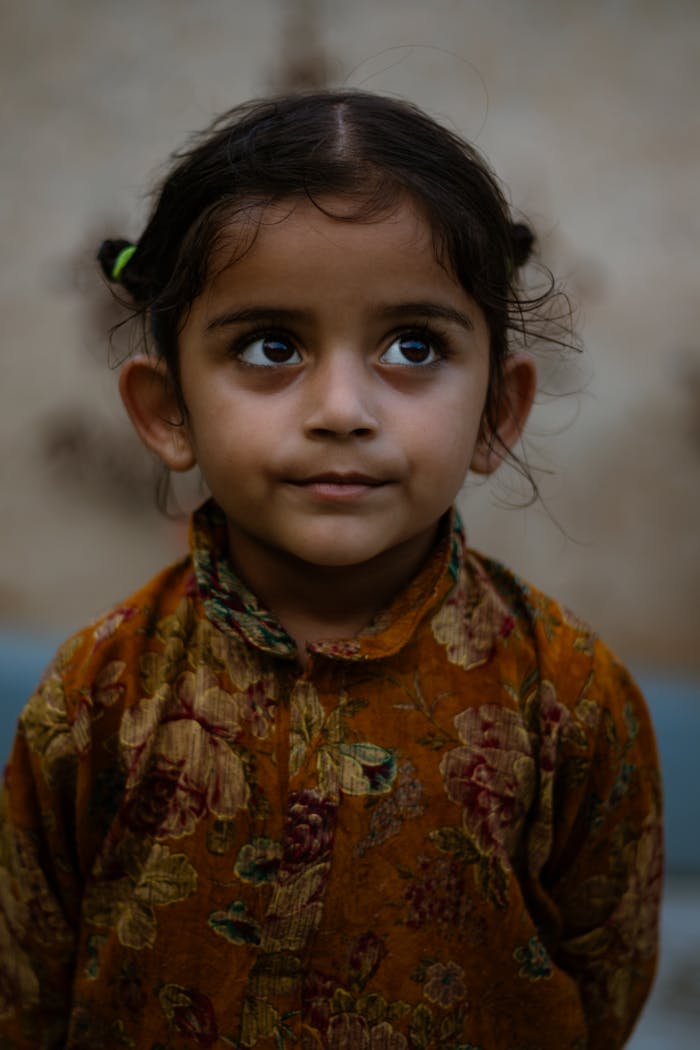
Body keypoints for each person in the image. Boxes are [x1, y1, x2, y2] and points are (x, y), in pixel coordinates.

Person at [0, 91, 662, 1050]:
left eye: (414, 346)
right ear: (168, 412)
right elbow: (25, 986)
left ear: (496, 414)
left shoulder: (570, 698)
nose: (342, 408)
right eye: (272, 347)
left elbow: (607, 986)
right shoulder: (95, 696)